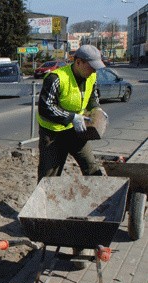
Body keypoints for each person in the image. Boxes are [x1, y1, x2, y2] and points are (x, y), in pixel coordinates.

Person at [37, 44, 107, 182]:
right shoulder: (56, 78)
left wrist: (97, 109)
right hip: (53, 134)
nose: (93, 71)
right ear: (78, 62)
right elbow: (45, 107)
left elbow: (92, 97)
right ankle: (46, 202)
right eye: (91, 67)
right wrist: (72, 117)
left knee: (92, 167)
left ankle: (99, 197)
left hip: (76, 131)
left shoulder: (91, 77)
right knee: (49, 177)